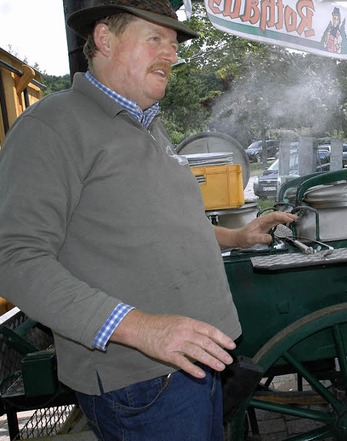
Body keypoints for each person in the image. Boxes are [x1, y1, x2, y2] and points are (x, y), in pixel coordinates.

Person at [0, 1, 296, 440]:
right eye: (155, 38)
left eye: (173, 44)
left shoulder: (146, 126)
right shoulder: (52, 126)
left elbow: (159, 227)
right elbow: (14, 259)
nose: (171, 55)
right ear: (104, 39)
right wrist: (142, 328)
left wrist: (237, 237)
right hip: (143, 380)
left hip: (197, 361)